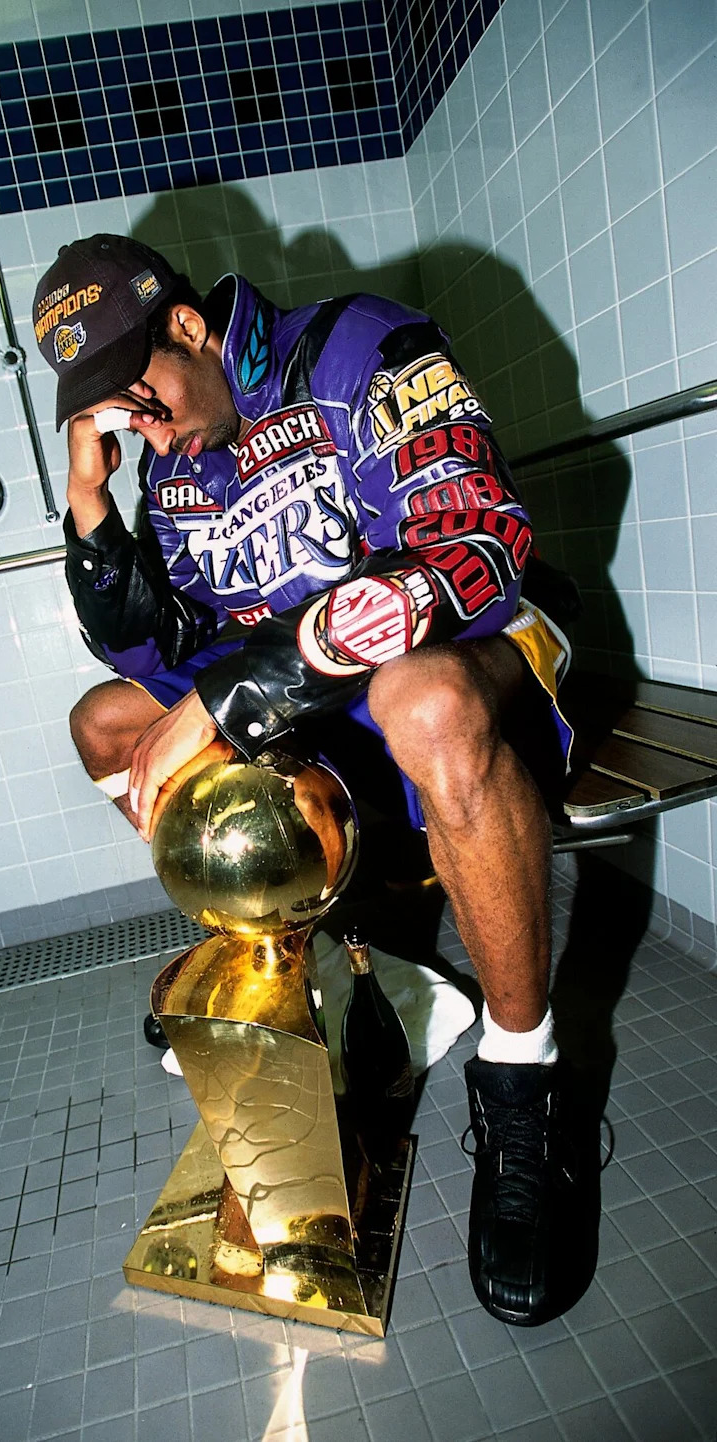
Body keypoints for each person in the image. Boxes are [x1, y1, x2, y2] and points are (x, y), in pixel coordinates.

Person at [32, 234, 600, 1327]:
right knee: (108, 724)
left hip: (474, 658)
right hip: (320, 701)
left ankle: (526, 1082)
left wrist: (235, 696)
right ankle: (317, 960)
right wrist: (90, 501)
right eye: (118, 422)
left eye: (141, 402)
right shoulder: (179, 465)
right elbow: (158, 654)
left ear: (188, 327)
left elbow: (475, 546)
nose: (144, 431)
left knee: (420, 699)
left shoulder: (359, 346)